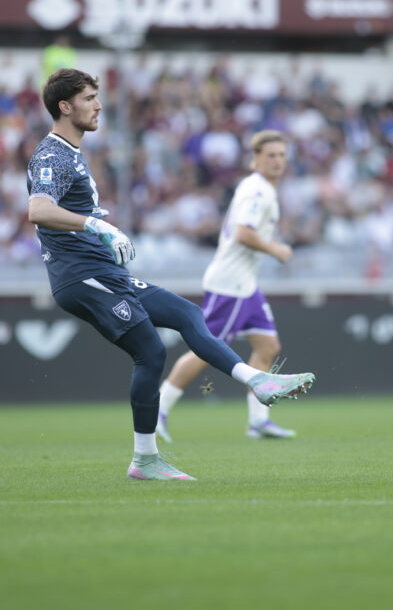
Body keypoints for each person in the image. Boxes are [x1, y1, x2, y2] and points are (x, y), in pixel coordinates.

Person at [26, 69, 314, 481]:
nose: (99, 105)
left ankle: (257, 382)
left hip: (106, 273)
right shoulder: (51, 153)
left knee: (186, 314)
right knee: (151, 352)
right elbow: (38, 210)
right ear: (65, 106)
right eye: (90, 98)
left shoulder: (72, 152)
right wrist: (97, 226)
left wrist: (97, 228)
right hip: (81, 276)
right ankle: (145, 458)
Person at [157, 130, 298, 442]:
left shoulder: (263, 189)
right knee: (206, 349)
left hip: (245, 284)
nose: (277, 161)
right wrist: (277, 249)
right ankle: (158, 409)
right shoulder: (257, 191)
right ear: (256, 158)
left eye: (281, 155)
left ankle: (259, 421)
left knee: (268, 347)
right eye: (270, 155)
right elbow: (243, 233)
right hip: (230, 284)